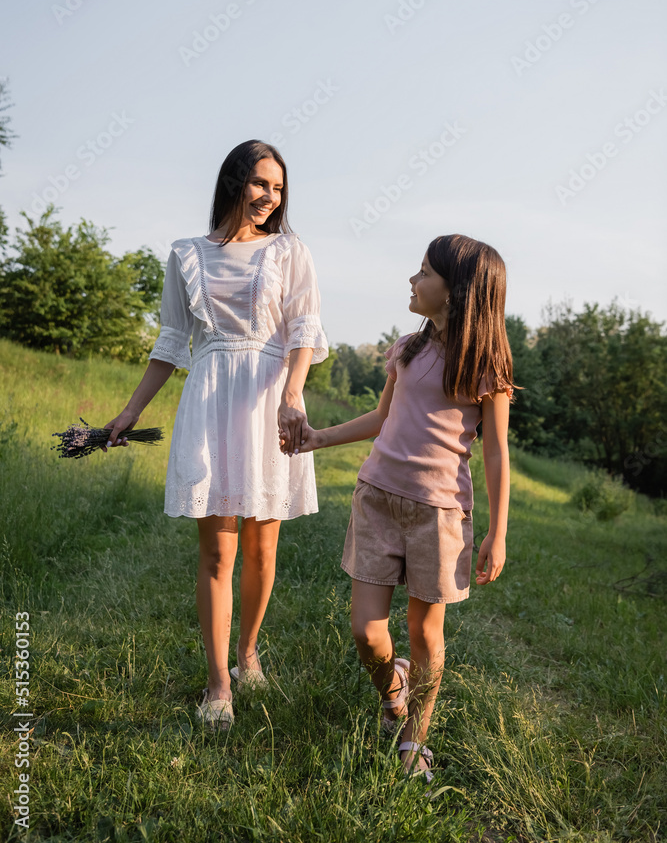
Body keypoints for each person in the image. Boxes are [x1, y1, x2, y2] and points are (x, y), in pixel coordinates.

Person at [104, 140, 328, 730]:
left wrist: (290, 394)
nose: (269, 197)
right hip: (209, 401)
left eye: (278, 188)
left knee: (262, 546)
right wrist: (128, 412)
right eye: (260, 184)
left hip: (270, 401)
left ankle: (249, 650)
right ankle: (218, 682)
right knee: (217, 551)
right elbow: (170, 345)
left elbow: (304, 329)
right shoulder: (185, 255)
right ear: (233, 182)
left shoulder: (289, 250)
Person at [281, 233, 513, 783]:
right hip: (377, 499)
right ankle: (393, 692)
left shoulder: (486, 362)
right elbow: (382, 418)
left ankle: (415, 743)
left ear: (457, 291)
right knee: (367, 632)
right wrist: (316, 438)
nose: (413, 280)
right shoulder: (407, 346)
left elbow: (499, 453)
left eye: (425, 273)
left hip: (440, 515)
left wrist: (497, 533)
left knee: (425, 635)